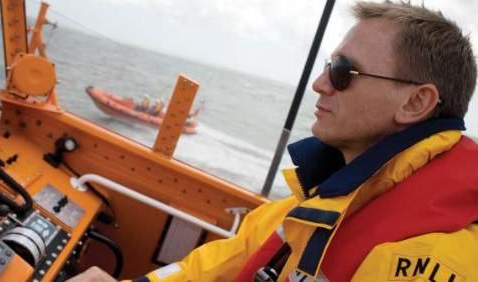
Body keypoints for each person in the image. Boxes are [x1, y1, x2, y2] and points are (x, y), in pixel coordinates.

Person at [68, 1, 478, 281]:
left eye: (342, 72)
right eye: (326, 67)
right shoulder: (315, 206)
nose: (320, 84)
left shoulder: (437, 258)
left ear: (416, 102)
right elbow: (212, 266)